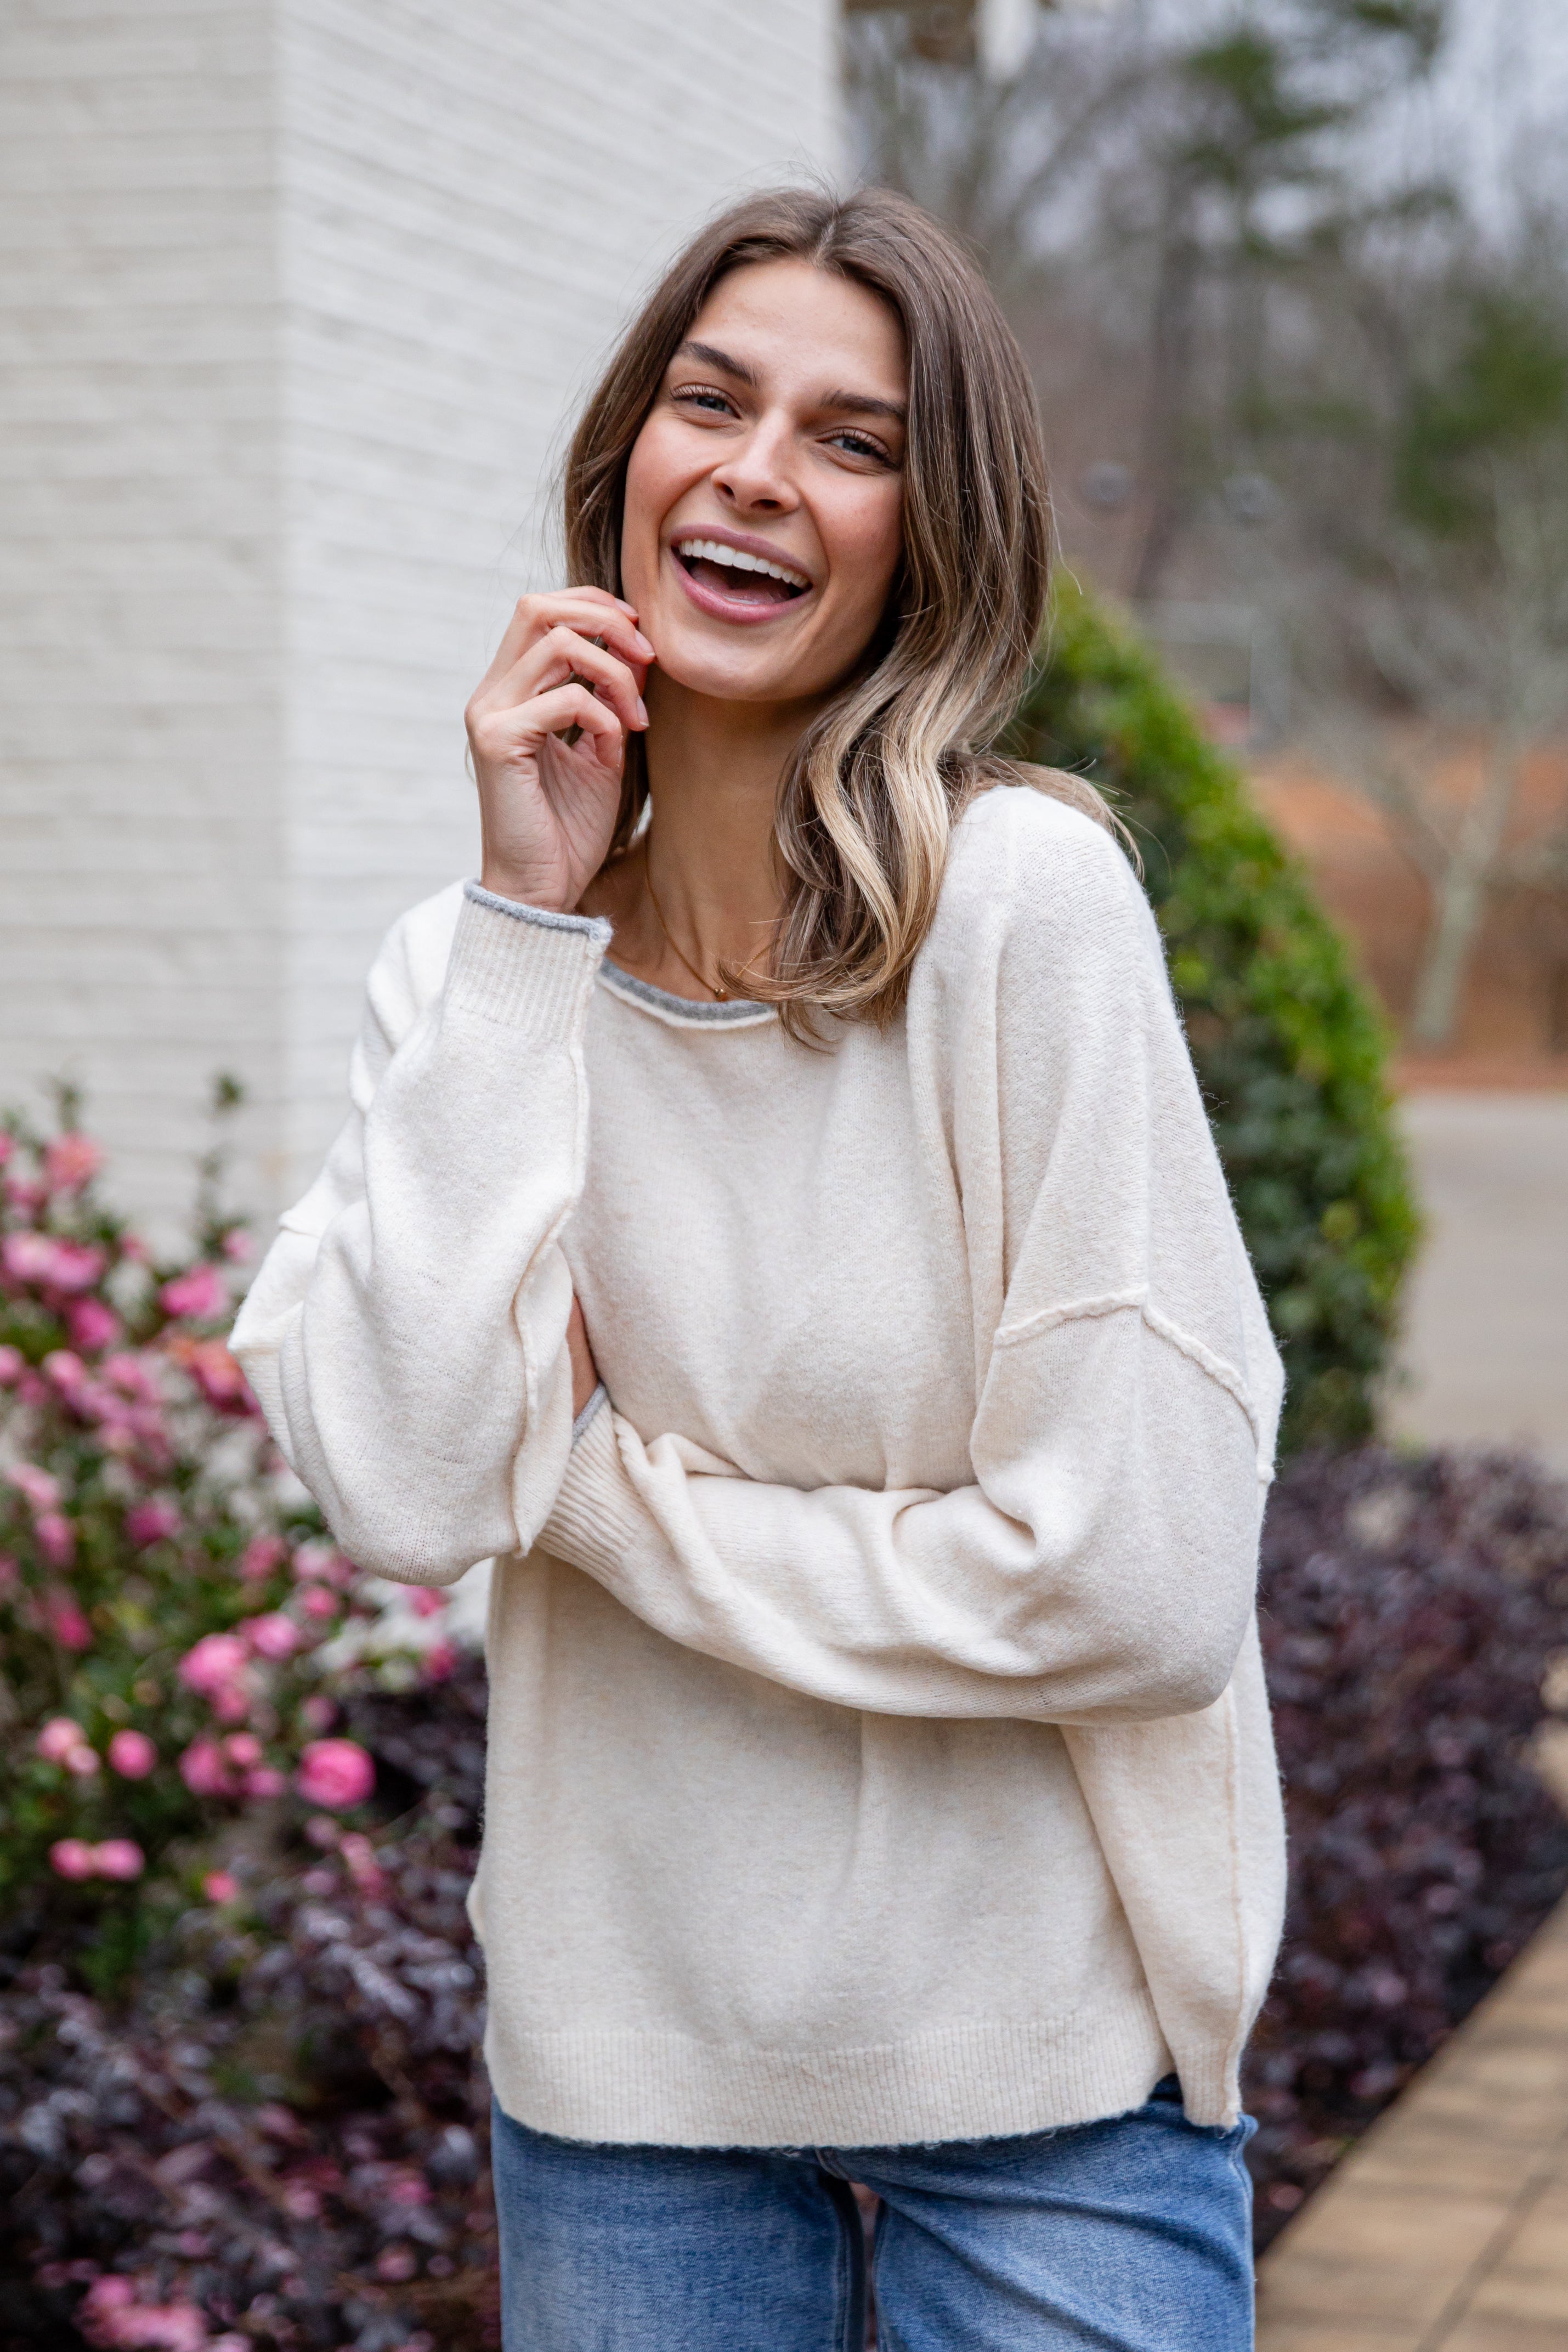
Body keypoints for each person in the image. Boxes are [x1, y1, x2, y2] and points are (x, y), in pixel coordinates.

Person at [233, 185, 1286, 2352]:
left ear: (934, 533)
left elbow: (1144, 1579)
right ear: (626, 458)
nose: (753, 471)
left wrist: (614, 1494)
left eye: (851, 436)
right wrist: (527, 932)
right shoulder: (470, 979)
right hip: (629, 2074)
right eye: (709, 402)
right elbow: (415, 1489)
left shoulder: (1021, 912)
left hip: (1052, 2066)